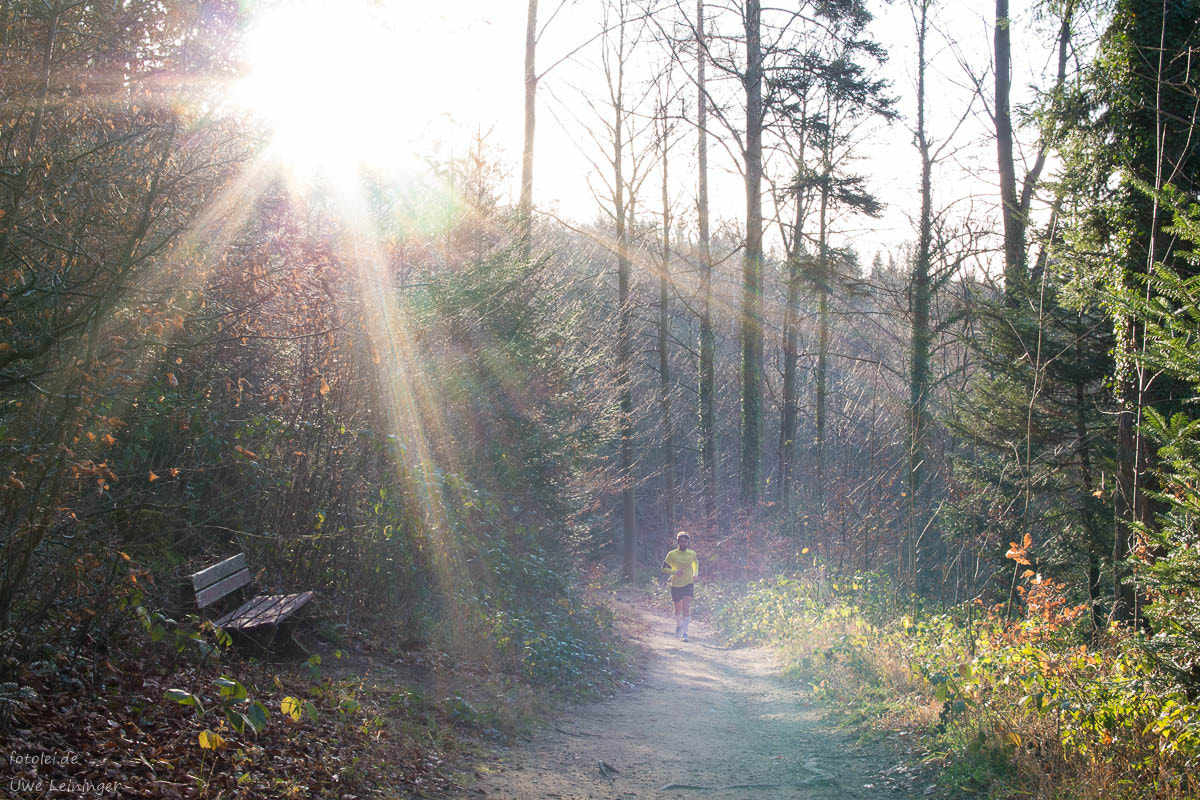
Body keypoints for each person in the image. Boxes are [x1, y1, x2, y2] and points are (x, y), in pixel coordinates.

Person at [661, 531, 698, 641]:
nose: (684, 543)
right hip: (676, 584)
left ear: (688, 542)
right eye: (682, 541)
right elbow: (663, 568)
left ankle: (685, 634)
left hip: (688, 583)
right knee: (677, 611)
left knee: (686, 608)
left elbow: (696, 564)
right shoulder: (672, 554)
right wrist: (675, 572)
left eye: (686, 542)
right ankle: (679, 624)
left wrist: (695, 574)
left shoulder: (692, 554)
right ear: (678, 542)